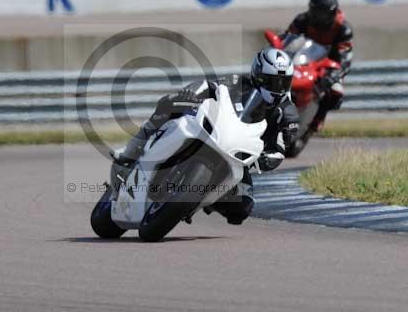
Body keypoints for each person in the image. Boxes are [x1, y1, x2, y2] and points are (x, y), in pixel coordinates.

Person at [111, 48, 299, 225]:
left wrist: (265, 159)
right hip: (213, 130)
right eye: (273, 82)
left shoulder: (289, 114)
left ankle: (205, 198)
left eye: (284, 82)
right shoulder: (238, 81)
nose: (279, 88)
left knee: (242, 208)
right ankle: (133, 148)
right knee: (169, 103)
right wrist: (192, 92)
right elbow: (209, 85)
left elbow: (280, 150)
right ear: (258, 75)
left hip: (241, 155)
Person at [283, 0, 354, 133]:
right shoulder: (301, 21)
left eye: (324, 14)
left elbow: (345, 57)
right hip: (301, 59)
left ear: (333, 12)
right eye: (317, 13)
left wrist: (335, 74)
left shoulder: (343, 29)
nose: (320, 18)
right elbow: (287, 40)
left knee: (336, 90)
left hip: (328, 63)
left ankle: (319, 117)